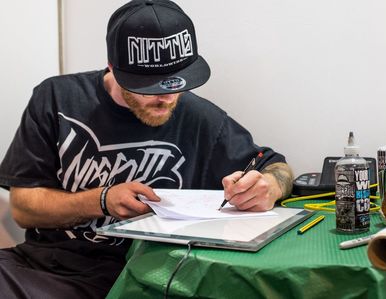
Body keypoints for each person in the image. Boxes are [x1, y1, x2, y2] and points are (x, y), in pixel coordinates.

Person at [0, 1, 293, 298]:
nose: (166, 98)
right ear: (114, 67)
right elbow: (24, 208)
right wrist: (101, 200)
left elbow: (276, 167)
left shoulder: (200, 118)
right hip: (41, 269)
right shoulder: (57, 98)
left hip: (142, 277)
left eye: (177, 83)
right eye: (150, 87)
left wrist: (268, 185)